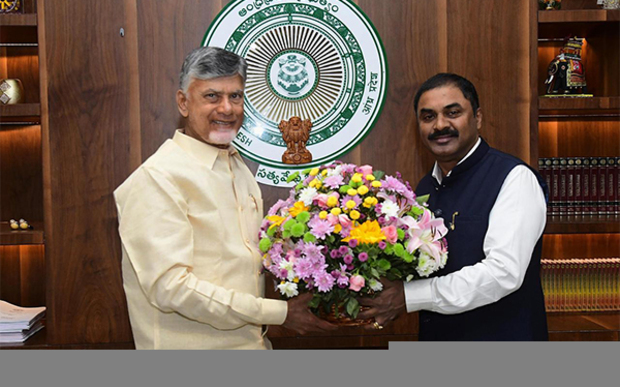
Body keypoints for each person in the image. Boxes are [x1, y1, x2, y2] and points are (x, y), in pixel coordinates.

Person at [114, 47, 336, 349]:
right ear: (183, 102)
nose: (227, 108)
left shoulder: (238, 167)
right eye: (211, 96)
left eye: (236, 96)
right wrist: (278, 312)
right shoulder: (157, 178)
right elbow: (171, 289)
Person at [358, 73, 549, 341]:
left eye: (453, 112)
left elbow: (503, 273)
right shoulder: (424, 189)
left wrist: (408, 296)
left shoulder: (513, 178)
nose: (440, 125)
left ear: (478, 118)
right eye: (428, 117)